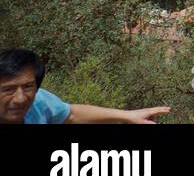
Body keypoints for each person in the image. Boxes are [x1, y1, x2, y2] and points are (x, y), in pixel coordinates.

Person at [0, 48, 169, 124]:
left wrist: (128, 116)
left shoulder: (39, 103)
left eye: (28, 86)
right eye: (8, 89)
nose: (20, 98)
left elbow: (70, 114)